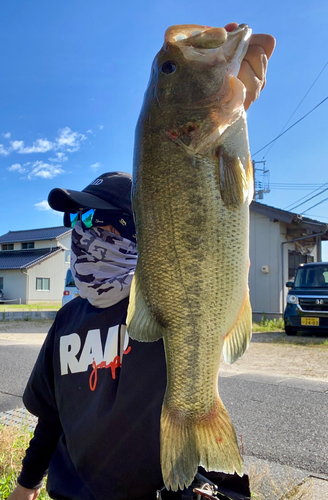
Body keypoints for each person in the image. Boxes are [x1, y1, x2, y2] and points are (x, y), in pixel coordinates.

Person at [8, 27, 275, 500]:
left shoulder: (152, 306)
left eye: (95, 217)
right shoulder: (69, 318)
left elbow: (206, 241)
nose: (81, 231)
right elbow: (50, 419)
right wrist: (25, 488)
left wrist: (229, 108)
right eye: (76, 219)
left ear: (140, 227)